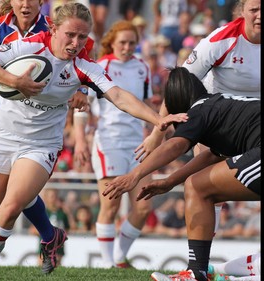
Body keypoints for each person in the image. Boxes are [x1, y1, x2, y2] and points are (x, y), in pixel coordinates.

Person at [0, 3, 188, 280]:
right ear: (53, 29)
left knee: (10, 208)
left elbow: (118, 95)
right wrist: (15, 80)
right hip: (1, 134)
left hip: (41, 144)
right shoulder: (29, 45)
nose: (75, 43)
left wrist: (157, 119)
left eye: (82, 37)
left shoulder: (83, 66)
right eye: (70, 35)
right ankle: (36, 239)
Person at [0, 0, 94, 276]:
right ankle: (49, 235)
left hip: (42, 132)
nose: (25, 3)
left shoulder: (64, 29)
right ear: (9, 2)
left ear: (41, 3)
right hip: (5, 121)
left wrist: (83, 90)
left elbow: (84, 69)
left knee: (15, 198)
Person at [103, 67, 260, 281]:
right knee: (199, 184)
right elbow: (212, 156)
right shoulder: (220, 105)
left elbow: (175, 146)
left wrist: (135, 175)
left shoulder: (199, 109)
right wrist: (169, 181)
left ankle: (195, 273)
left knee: (197, 187)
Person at [139, 0, 261, 238]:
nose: (259, 16)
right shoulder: (220, 40)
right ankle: (204, 265)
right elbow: (179, 86)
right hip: (215, 123)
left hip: (253, 125)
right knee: (203, 188)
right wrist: (157, 133)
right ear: (242, 11)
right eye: (254, 9)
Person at [76, 20, 156, 269]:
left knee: (143, 207)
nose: (127, 47)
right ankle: (108, 263)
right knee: (109, 204)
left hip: (137, 144)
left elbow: (145, 105)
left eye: (132, 42)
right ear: (112, 41)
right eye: (123, 42)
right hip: (108, 141)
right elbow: (82, 106)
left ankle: (119, 256)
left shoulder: (142, 68)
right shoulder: (101, 66)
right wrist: (79, 139)